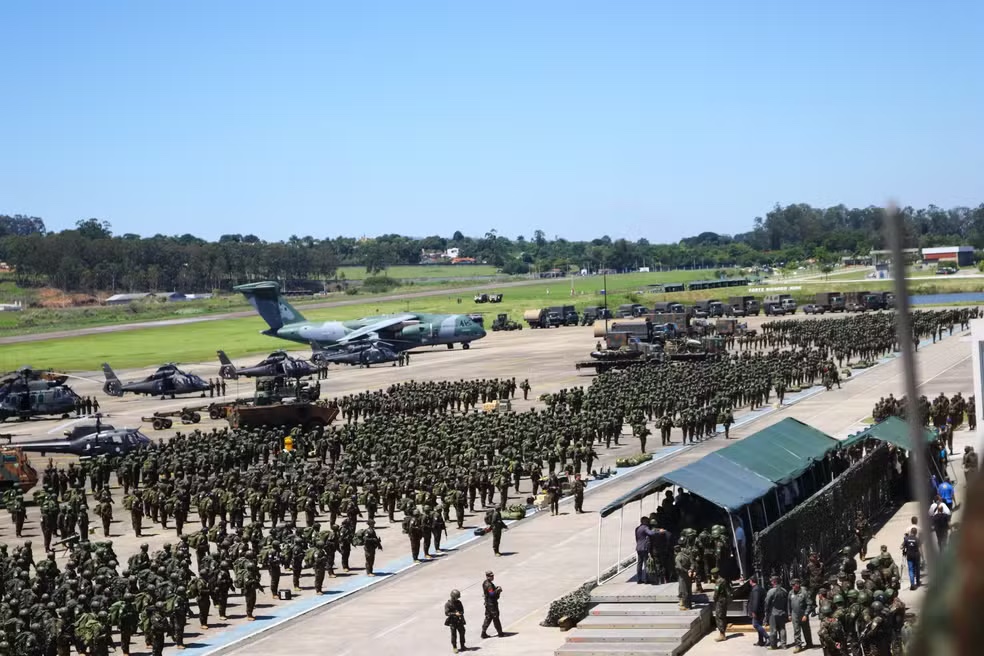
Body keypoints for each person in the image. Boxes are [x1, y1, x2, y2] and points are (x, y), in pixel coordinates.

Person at [787, 578, 813, 653]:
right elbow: (788, 604)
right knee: (796, 630)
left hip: (803, 614)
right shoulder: (790, 593)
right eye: (792, 585)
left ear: (798, 584)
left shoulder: (804, 592)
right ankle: (798, 645)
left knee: (806, 630)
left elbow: (809, 604)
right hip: (794, 614)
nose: (792, 587)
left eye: (793, 585)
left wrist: (806, 614)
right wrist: (789, 614)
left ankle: (809, 643)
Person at [764, 575, 789, 650]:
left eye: (772, 581)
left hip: (773, 613)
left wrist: (766, 612)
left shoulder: (771, 591)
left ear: (774, 582)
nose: (771, 582)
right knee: (782, 629)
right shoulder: (784, 590)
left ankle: (773, 645)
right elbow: (787, 602)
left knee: (773, 630)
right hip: (782, 613)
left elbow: (767, 602)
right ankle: (783, 645)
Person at [480, 571, 504, 639]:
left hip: (488, 603)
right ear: (487, 576)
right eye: (491, 576)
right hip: (491, 604)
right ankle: (500, 633)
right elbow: (491, 594)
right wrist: (498, 590)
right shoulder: (489, 585)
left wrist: (495, 589)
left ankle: (483, 633)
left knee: (488, 617)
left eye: (493, 576)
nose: (492, 577)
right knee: (495, 617)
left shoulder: (486, 582)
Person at [747, 576, 770, 646]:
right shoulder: (760, 588)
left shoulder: (755, 590)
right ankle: (761, 641)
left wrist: (754, 611)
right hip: (761, 610)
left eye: (749, 581)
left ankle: (768, 637)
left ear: (751, 581)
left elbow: (755, 601)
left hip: (757, 611)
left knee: (755, 624)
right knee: (759, 625)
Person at [635, 517, 657, 584]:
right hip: (644, 548)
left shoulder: (637, 528)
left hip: (638, 547)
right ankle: (646, 579)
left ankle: (639, 579)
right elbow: (651, 533)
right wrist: (657, 531)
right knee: (646, 563)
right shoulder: (645, 528)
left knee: (639, 564)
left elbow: (637, 538)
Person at [444, 589, 466, 653]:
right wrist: (454, 614)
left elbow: (462, 611)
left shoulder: (459, 602)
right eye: (456, 597)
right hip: (452, 622)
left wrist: (460, 613)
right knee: (454, 635)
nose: (457, 598)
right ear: (453, 597)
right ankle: (454, 647)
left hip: (459, 621)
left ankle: (462, 645)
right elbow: (446, 613)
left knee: (462, 633)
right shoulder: (448, 604)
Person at [712, 568, 730, 641]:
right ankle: (723, 633)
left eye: (713, 574)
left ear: (716, 574)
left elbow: (716, 592)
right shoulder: (723, 580)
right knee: (723, 616)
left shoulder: (718, 582)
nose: (713, 576)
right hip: (724, 600)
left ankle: (722, 634)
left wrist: (714, 598)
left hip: (720, 601)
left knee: (719, 617)